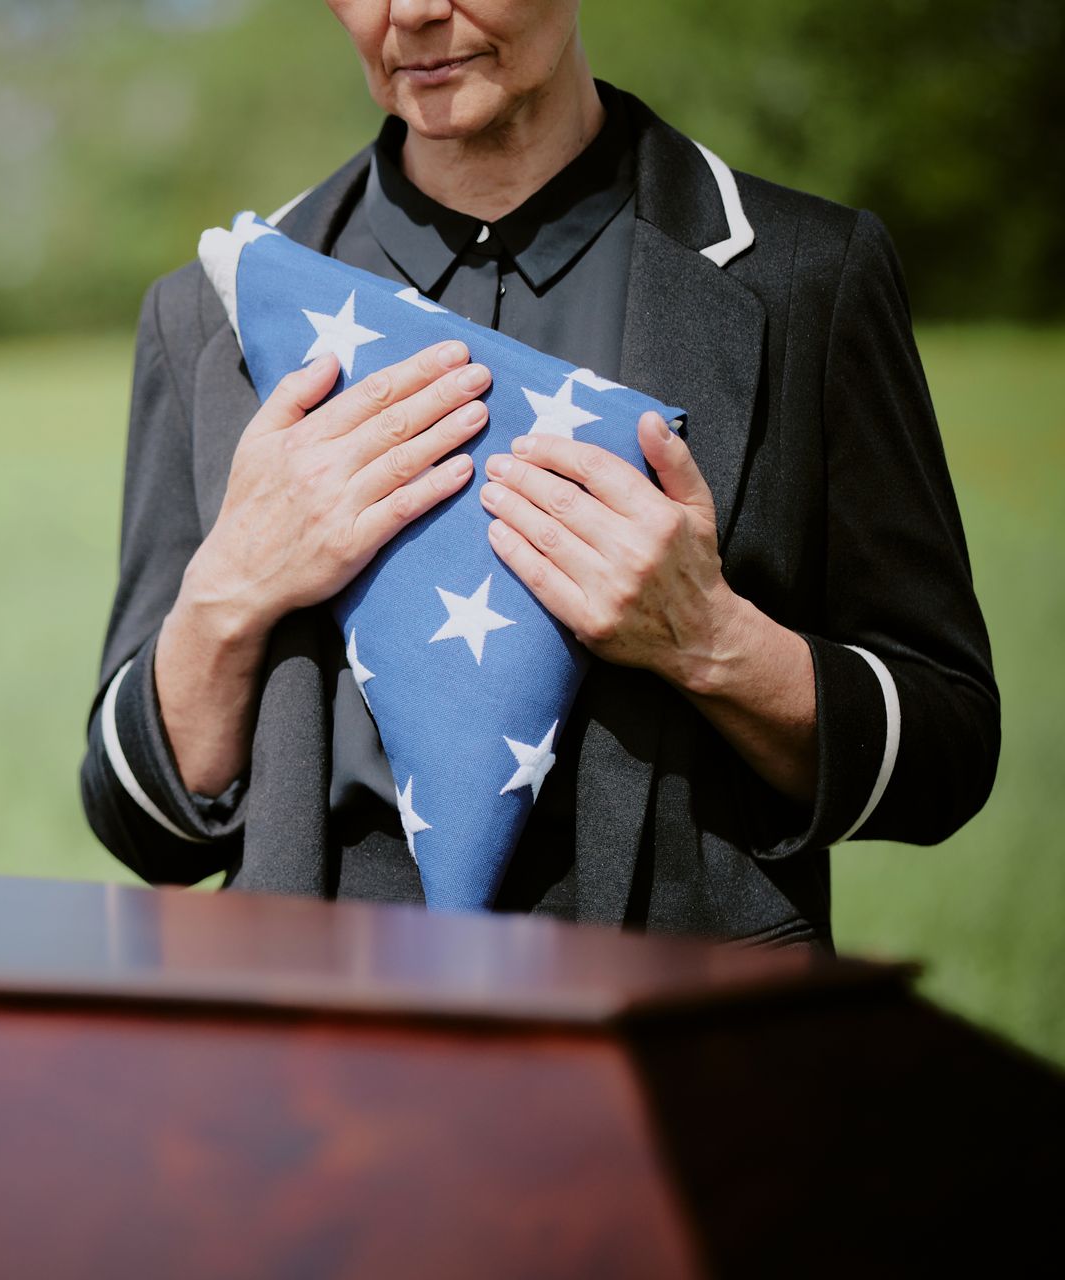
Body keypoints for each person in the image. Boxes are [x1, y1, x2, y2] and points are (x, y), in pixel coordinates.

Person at [77, 0, 999, 951]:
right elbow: (141, 825)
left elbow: (949, 755)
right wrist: (233, 591)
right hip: (310, 1052)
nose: (416, 11)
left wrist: (713, 643)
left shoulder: (809, 277)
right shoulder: (208, 317)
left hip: (679, 1043)